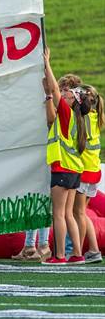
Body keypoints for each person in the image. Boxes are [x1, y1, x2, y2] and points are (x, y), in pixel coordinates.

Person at [42, 49, 90, 265]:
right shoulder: (78, 118)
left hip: (62, 169)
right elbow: (52, 99)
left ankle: (60, 255)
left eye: (69, 95)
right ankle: (77, 254)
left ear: (74, 101)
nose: (65, 94)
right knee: (69, 214)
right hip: (74, 170)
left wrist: (47, 63)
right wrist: (48, 95)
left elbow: (54, 89)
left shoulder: (67, 113)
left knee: (59, 214)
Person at [12, 76, 54, 262]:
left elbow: (50, 122)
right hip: (37, 160)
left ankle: (39, 245)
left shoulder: (50, 107)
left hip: (45, 161)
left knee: (39, 203)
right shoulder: (34, 108)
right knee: (35, 203)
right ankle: (33, 245)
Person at [73, 84, 103, 263]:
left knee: (78, 214)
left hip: (84, 171)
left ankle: (77, 251)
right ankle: (93, 249)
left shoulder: (81, 118)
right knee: (81, 213)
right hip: (94, 170)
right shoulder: (96, 116)